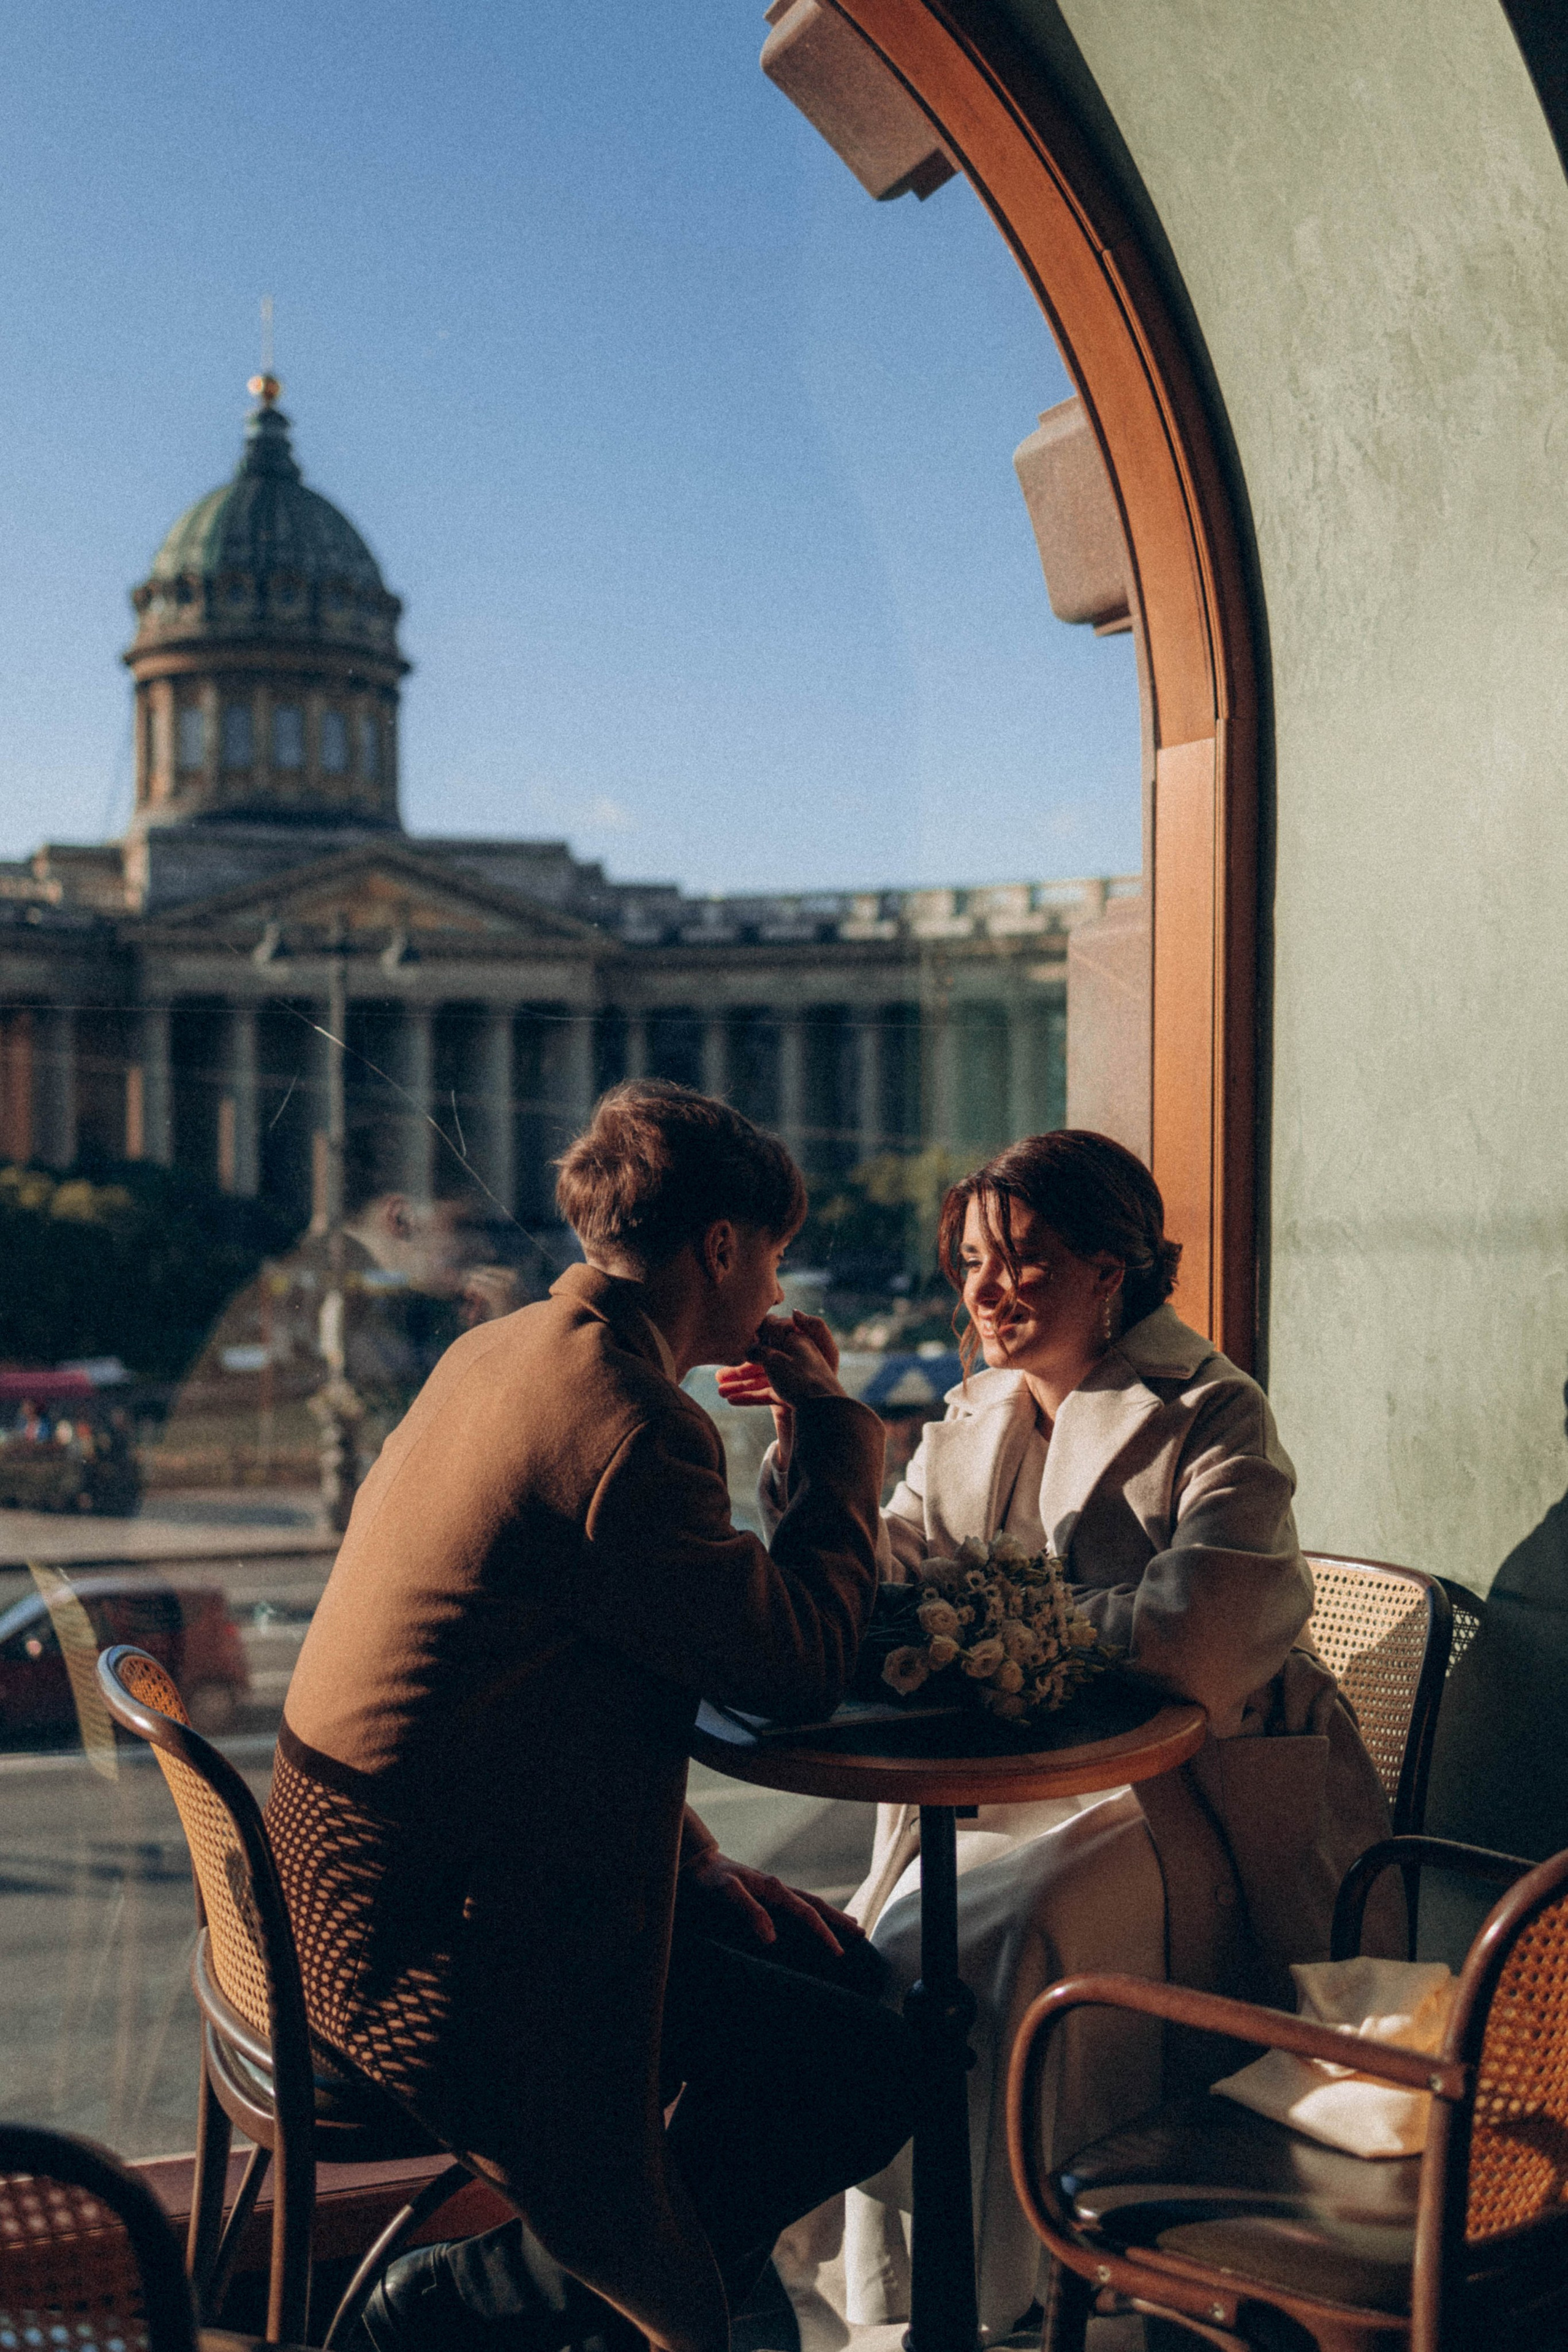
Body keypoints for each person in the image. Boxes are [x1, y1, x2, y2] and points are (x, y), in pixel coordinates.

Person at [263, 1081, 918, 2352]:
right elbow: (790, 1668)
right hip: (448, 1960)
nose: (775, 1293)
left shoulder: (500, 1350)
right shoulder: (630, 1425)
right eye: (772, 1258)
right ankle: (488, 2296)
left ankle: (630, 2275)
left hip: (335, 1907)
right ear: (721, 1248)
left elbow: (542, 1674)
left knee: (837, 1987)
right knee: (870, 2067)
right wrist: (839, 1436)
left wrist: (691, 1861)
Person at [722, 1129, 1397, 2337]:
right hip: (1013, 1786)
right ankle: (919, 2301)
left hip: (1179, 1791)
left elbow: (1203, 1633)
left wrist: (1005, 1620)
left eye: (1024, 1259)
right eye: (972, 1258)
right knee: (899, 1940)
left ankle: (1017, 2299)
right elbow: (876, 1582)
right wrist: (813, 1431)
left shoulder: (1210, 1411)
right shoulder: (975, 1408)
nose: (986, 1289)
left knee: (1010, 1936)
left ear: (1113, 1267)